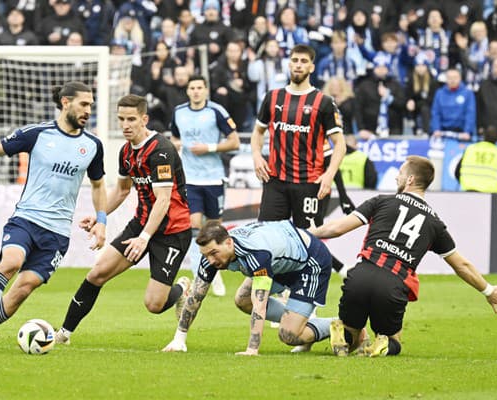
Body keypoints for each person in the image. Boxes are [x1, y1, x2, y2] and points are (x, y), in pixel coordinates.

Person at [0, 81, 107, 351]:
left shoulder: (93, 145)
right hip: (27, 218)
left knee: (23, 289)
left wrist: (102, 221)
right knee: (12, 262)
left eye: (91, 105)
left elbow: (98, 185)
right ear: (65, 102)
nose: (88, 110)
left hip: (57, 234)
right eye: (84, 104)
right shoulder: (37, 134)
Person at [310, 155, 497, 357]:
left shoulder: (381, 201)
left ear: (410, 180)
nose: (396, 178)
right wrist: (488, 291)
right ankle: (384, 344)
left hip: (360, 276)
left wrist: (308, 233)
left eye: (400, 174)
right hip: (393, 284)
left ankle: (342, 333)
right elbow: (462, 265)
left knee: (353, 331)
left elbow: (336, 229)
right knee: (393, 339)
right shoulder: (434, 224)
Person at [55, 94, 192, 345]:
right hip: (141, 224)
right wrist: (100, 217)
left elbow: (163, 200)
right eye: (121, 119)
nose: (126, 125)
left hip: (172, 230)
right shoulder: (126, 152)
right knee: (97, 273)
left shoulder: (161, 150)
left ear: (144, 119)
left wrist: (144, 238)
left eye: (131, 119)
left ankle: (182, 288)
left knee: (153, 304)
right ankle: (64, 334)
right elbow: (121, 191)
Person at [162, 220, 347, 355]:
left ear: (228, 243)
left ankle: (344, 325)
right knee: (242, 300)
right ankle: (296, 322)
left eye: (214, 253)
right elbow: (196, 295)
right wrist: (179, 339)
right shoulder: (213, 256)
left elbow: (260, 304)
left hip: (309, 261)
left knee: (289, 335)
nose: (211, 260)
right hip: (279, 262)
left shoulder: (256, 254)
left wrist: (252, 349)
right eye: (206, 255)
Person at [251, 44, 347, 230]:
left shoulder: (324, 102)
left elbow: (340, 145)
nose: (298, 65)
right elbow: (258, 132)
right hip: (275, 181)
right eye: (295, 60)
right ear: (289, 64)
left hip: (309, 183)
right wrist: (256, 155)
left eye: (304, 61)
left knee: (307, 240)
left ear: (311, 67)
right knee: (267, 237)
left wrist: (329, 175)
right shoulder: (273, 97)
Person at [169, 75, 240, 297]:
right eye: (192, 88)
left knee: (214, 228)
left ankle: (215, 266)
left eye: (200, 87)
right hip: (190, 178)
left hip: (213, 177)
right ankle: (202, 274)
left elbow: (235, 141)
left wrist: (209, 147)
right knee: (193, 224)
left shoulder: (216, 111)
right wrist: (177, 145)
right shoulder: (179, 112)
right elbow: (174, 137)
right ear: (188, 91)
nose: (196, 91)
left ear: (206, 90)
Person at [455, 126, 497, 192]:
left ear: (483, 136)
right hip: (490, 194)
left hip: (468, 192)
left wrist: (466, 184)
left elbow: (457, 173)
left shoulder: (470, 149)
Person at [430, 68, 477, 141]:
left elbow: (470, 113)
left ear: (460, 78)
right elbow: (436, 113)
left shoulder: (468, 93)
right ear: (446, 79)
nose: (452, 80)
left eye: (455, 77)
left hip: (461, 133)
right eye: (449, 78)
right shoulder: (439, 93)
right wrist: (436, 129)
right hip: (443, 132)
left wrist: (467, 131)